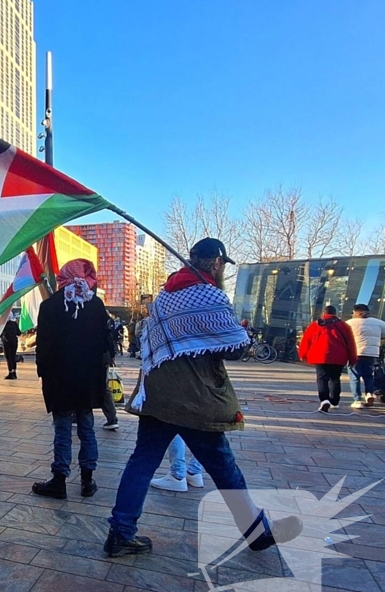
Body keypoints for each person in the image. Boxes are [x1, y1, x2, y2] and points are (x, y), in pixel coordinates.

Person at [107, 238, 302, 557]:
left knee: (142, 461)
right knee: (224, 467)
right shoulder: (210, 295)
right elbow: (236, 348)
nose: (223, 269)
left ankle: (120, 532)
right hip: (196, 396)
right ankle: (256, 533)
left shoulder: (165, 296)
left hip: (159, 392)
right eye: (223, 264)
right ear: (216, 263)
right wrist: (241, 333)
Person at [31, 259, 112, 500]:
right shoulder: (96, 305)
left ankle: (59, 480)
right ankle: (87, 480)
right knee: (87, 427)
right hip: (87, 380)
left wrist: (43, 374)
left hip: (59, 379)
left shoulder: (50, 306)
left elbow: (43, 348)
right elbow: (103, 345)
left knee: (62, 428)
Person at [298, 305, 358, 413]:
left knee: (322, 378)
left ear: (323, 313)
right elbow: (351, 344)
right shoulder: (344, 326)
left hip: (319, 356)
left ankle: (324, 400)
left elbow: (306, 340)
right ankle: (334, 402)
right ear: (336, 313)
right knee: (335, 379)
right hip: (339, 356)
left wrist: (303, 354)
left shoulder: (315, 325)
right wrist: (353, 359)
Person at [347, 304, 385, 408]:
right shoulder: (377, 322)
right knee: (369, 375)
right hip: (371, 353)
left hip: (354, 354)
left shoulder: (349, 323)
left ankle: (357, 400)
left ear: (355, 312)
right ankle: (369, 393)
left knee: (354, 376)